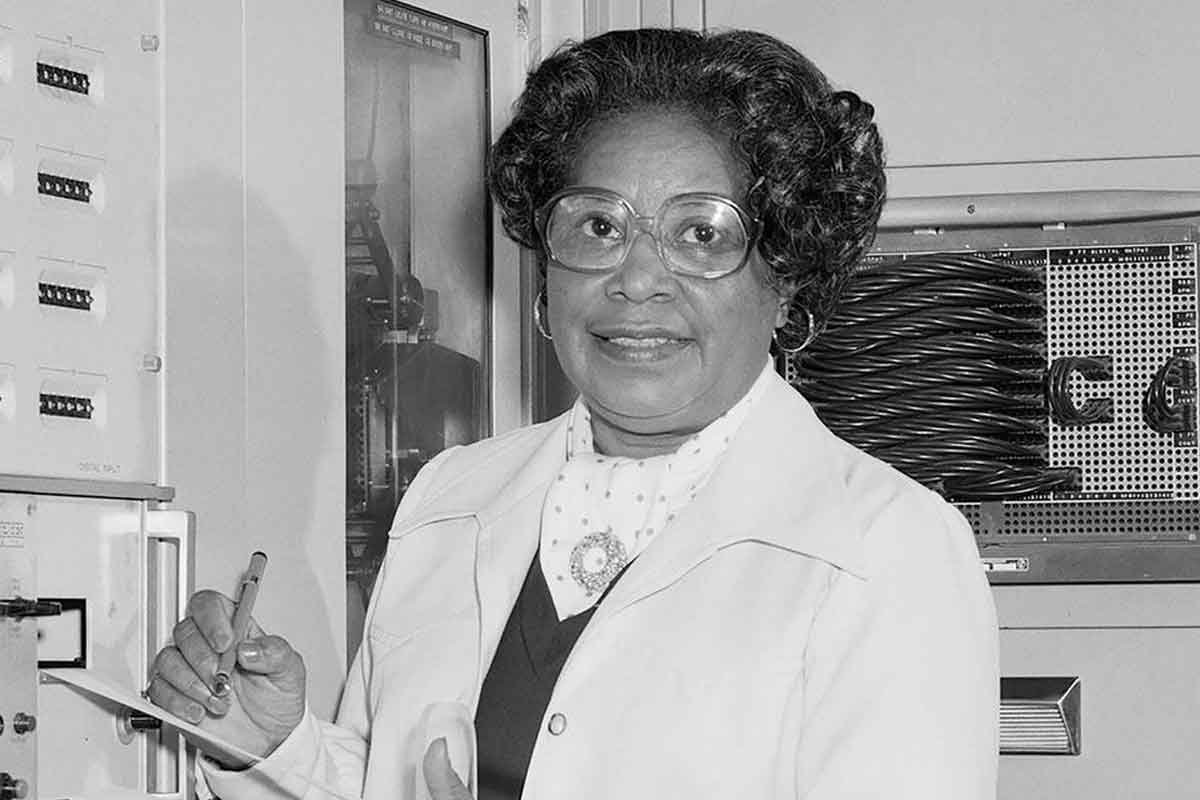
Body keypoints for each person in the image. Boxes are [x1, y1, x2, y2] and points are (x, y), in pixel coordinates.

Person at [148, 27, 999, 800]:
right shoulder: (450, 498)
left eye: (701, 233)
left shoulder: (888, 549)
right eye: (597, 225)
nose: (637, 278)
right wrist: (274, 750)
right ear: (547, 273)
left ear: (785, 279)